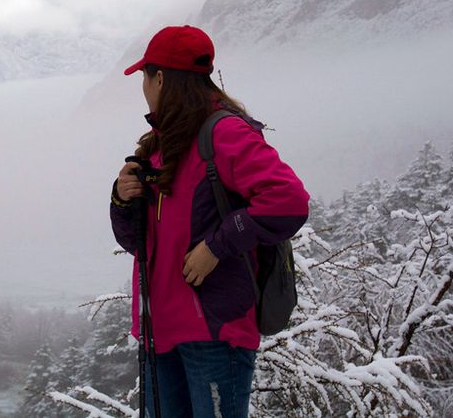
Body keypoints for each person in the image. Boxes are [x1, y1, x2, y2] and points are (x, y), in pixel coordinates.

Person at [110, 25, 310, 418]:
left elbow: (289, 201)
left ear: (160, 78)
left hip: (213, 332)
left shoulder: (224, 132)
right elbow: (139, 244)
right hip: (159, 330)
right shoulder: (158, 144)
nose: (144, 88)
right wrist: (121, 199)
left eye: (145, 77)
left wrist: (217, 246)